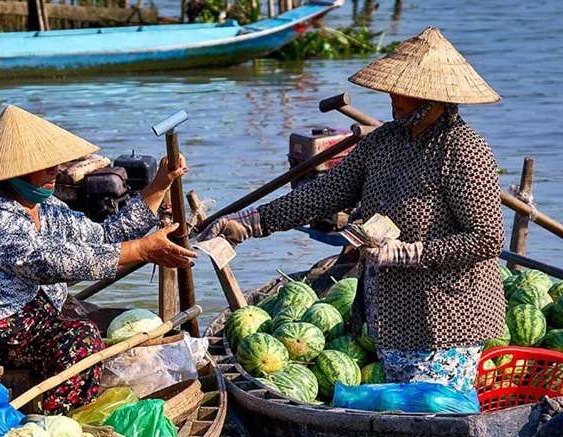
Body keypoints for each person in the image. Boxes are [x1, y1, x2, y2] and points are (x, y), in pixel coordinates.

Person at [199, 27, 506, 395]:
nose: (395, 97)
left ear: (434, 99)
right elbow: (323, 193)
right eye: (393, 88)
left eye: (406, 92)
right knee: (401, 413)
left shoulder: (464, 152)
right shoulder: (384, 142)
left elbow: (487, 238)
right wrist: (252, 223)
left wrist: (412, 252)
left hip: (446, 317)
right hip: (391, 312)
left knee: (432, 413)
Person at [0, 105, 196, 413]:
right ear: (15, 172)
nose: (55, 169)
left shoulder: (52, 211)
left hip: (23, 332)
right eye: (44, 164)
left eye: (54, 163)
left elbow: (108, 236)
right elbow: (45, 262)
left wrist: (160, 184)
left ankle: (45, 420)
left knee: (80, 337)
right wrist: (141, 250)